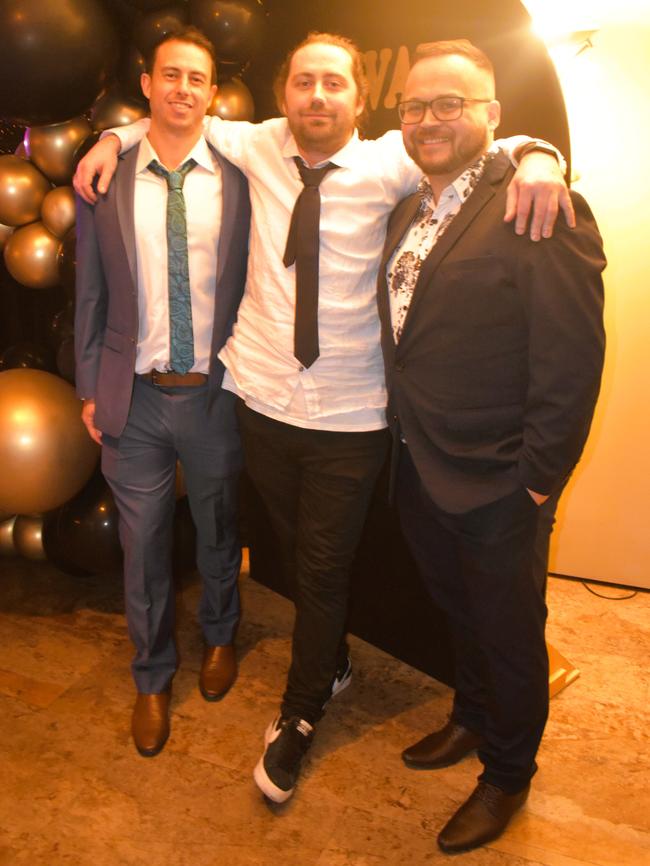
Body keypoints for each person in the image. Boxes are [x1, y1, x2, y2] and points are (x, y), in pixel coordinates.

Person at [74, 31, 574, 802]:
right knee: (286, 546)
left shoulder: (391, 159)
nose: (317, 96)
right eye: (304, 82)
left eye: (333, 83)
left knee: (321, 566)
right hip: (261, 402)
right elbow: (175, 114)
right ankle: (328, 660)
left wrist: (541, 155)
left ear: (359, 97)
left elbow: (480, 147)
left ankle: (300, 713)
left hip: (352, 413)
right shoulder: (257, 144)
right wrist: (114, 135)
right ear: (284, 96)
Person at [377, 40, 605, 853]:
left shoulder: (538, 204)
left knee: (510, 637)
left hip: (504, 482)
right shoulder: (410, 209)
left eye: (451, 104)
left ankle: (508, 773)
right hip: (421, 467)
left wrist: (539, 480)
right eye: (414, 106)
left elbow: (571, 359)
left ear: (493, 117)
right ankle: (470, 719)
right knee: (457, 616)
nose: (429, 120)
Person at [74, 27, 250, 758]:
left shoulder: (243, 173)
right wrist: (91, 387)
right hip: (133, 396)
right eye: (170, 74)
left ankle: (219, 635)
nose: (183, 88)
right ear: (146, 83)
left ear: (212, 92)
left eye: (198, 79)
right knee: (139, 546)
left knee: (217, 528)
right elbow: (89, 290)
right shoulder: (104, 177)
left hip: (216, 391)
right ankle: (150, 677)